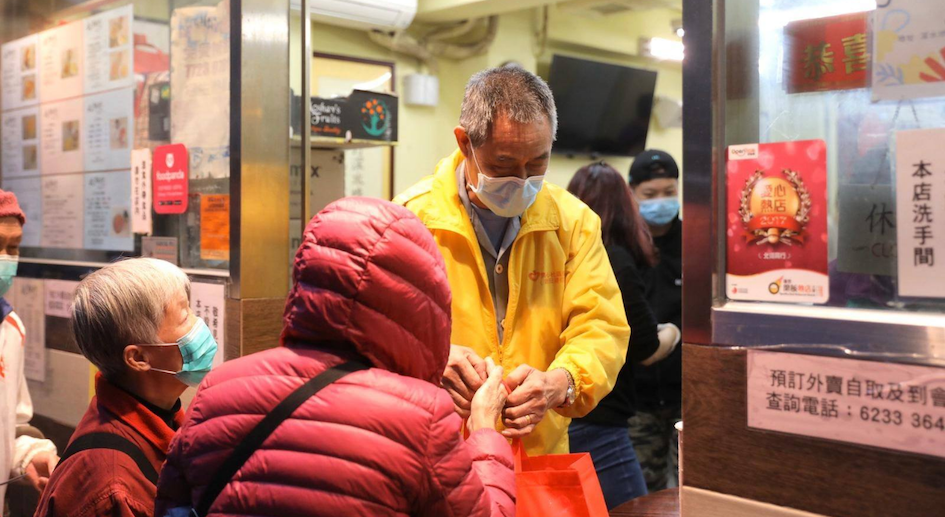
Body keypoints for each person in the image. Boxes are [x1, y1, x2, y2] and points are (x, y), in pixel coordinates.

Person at [155, 198, 515, 517]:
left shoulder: (218, 387)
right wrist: (485, 432)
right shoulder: (424, 417)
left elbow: (172, 504)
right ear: (419, 301)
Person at [395, 66, 630, 456]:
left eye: (537, 163)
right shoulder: (410, 221)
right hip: (438, 454)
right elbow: (376, 335)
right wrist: (430, 358)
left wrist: (563, 381)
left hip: (539, 455)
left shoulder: (572, 223)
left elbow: (602, 326)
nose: (522, 181)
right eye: (504, 166)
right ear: (465, 143)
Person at [35, 257, 217, 517]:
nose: (200, 326)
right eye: (185, 316)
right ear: (139, 358)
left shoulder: (163, 417)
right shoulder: (112, 487)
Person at [566, 162, 681, 508]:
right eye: (648, 195)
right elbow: (645, 345)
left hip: (561, 406)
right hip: (604, 412)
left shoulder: (560, 254)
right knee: (636, 508)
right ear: (627, 200)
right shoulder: (614, 258)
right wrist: (673, 332)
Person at [627, 149, 683, 492]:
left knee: (692, 494)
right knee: (644, 496)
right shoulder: (623, 247)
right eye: (650, 195)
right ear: (632, 192)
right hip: (638, 401)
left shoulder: (697, 243)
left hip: (687, 397)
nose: (661, 201)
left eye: (669, 192)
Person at [0, 190, 58, 507]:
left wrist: (28, 455)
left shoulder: (11, 329)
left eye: (13, 248)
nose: (5, 259)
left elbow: (11, 425)